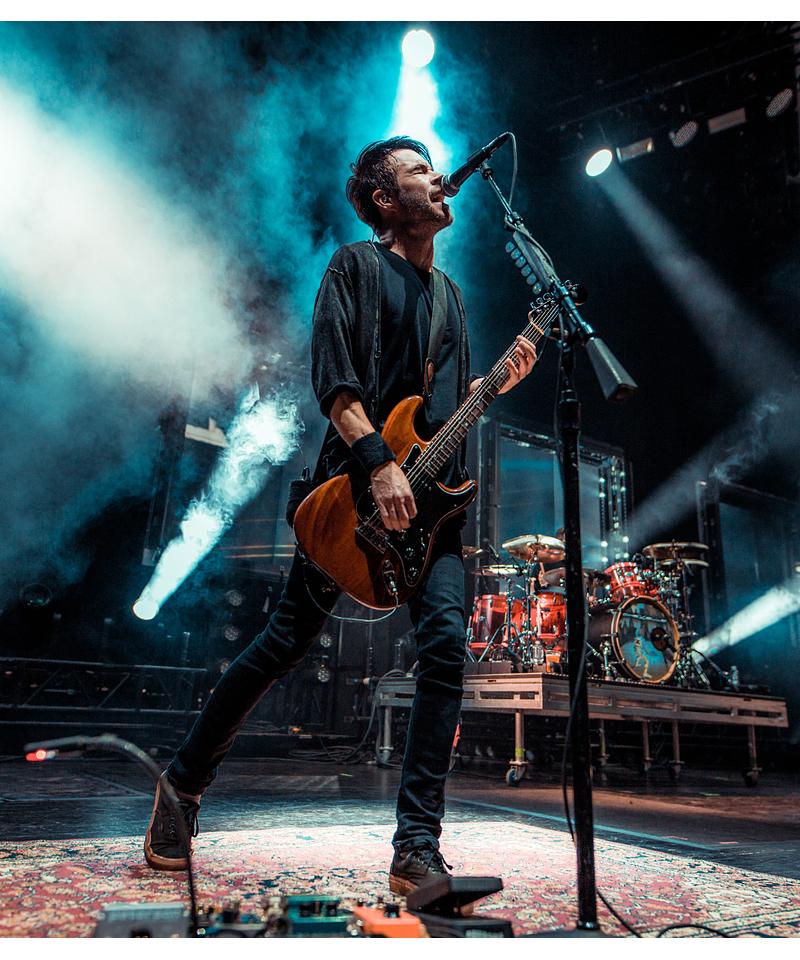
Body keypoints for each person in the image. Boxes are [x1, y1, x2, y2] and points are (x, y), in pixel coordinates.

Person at [144, 136, 537, 894]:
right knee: (283, 643)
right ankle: (183, 783)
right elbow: (335, 384)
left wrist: (493, 387)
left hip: (433, 510)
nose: (438, 177)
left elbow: (439, 415)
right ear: (385, 200)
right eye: (420, 170)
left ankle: (416, 844)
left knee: (446, 648)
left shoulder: (451, 297)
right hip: (352, 493)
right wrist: (379, 465)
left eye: (434, 167)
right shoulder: (353, 267)